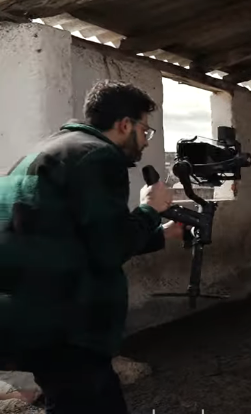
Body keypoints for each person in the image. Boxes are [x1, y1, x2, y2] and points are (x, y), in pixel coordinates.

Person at [0, 80, 183, 413]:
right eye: (145, 130)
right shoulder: (98, 156)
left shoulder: (51, 149)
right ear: (125, 124)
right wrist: (149, 209)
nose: (146, 141)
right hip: (67, 324)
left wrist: (161, 234)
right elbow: (109, 249)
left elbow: (79, 238)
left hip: (28, 317)